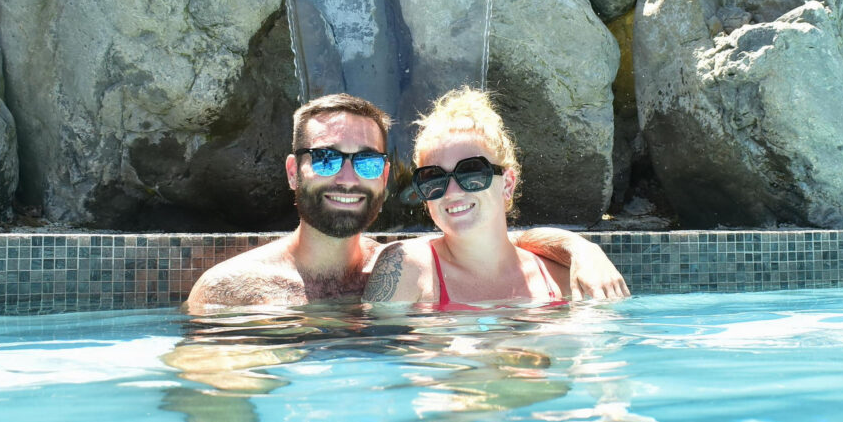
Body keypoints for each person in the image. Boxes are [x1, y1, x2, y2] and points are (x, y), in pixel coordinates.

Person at [185, 92, 629, 309]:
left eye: (365, 162)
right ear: (291, 171)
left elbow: (502, 241)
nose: (345, 177)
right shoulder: (233, 290)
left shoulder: (391, 264)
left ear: (384, 176)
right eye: (324, 160)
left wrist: (579, 247)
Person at [362, 87, 579, 307]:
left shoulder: (564, 281)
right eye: (434, 178)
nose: (452, 191)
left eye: (471, 173)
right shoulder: (407, 270)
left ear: (507, 184)